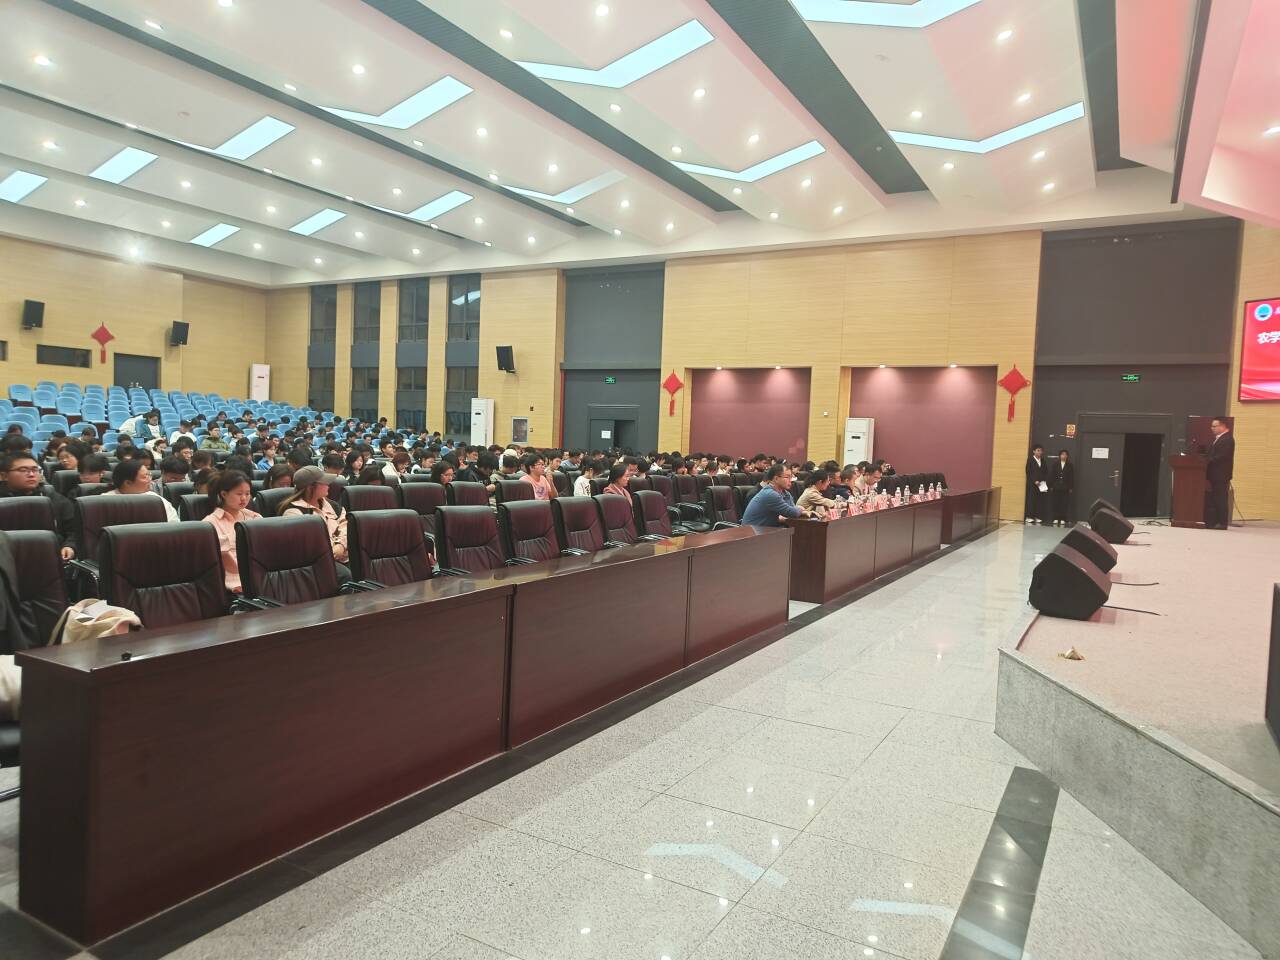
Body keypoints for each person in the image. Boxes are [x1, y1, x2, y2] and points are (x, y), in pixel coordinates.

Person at [278, 465, 350, 582]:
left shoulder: (333, 506)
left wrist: (341, 545)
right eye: (324, 482)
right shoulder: (294, 512)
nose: (328, 485)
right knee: (345, 575)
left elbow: (345, 527)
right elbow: (306, 545)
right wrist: (331, 552)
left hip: (342, 555)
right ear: (310, 487)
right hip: (316, 562)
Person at [0, 452, 77, 559]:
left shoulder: (52, 497)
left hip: (51, 557)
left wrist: (70, 546)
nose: (31, 474)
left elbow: (74, 529)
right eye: (23, 470)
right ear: (3, 476)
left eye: (35, 470)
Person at [203, 470, 261, 594]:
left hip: (261, 575)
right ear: (224, 494)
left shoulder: (255, 518)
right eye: (239, 494)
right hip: (233, 581)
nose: (244, 498)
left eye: (247, 493)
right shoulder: (209, 523)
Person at [105, 459, 179, 523]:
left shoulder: (155, 499)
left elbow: (173, 525)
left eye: (149, 475)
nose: (150, 480)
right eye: (145, 477)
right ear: (128, 483)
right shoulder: (105, 502)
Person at [740, 464, 806, 529]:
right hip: (752, 532)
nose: (790, 480)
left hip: (767, 529)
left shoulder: (786, 493)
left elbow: (792, 510)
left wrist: (797, 510)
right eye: (787, 477)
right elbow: (793, 513)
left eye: (791, 477)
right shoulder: (770, 494)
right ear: (776, 479)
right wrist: (801, 509)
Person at [1204, 417, 1235, 530]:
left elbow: (1222, 456)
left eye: (1214, 426)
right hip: (1215, 474)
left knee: (1221, 498)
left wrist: (1207, 460)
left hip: (1221, 475)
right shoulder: (1219, 438)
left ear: (1223, 426)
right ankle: (1214, 521)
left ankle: (1222, 523)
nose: (1212, 428)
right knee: (1216, 498)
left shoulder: (1227, 439)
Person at [1024, 444, 1049, 524]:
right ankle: (1029, 517)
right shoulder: (1030, 460)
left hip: (1041, 484)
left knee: (1040, 500)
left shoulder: (1043, 460)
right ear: (1034, 451)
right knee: (1031, 500)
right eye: (1038, 450)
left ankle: (1038, 516)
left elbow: (1046, 472)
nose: (1040, 452)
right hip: (1032, 484)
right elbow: (1028, 472)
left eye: (1041, 451)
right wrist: (1035, 481)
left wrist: (1043, 481)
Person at [1049, 450, 1074, 527]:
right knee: (1056, 502)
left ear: (1067, 456)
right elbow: (1052, 475)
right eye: (1062, 454)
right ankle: (1055, 518)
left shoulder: (1070, 465)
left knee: (1064, 503)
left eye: (1065, 454)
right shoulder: (1055, 464)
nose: (1064, 456)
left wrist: (1070, 487)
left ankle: (1063, 518)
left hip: (1065, 487)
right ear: (1060, 455)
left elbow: (1071, 477)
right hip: (1056, 487)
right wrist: (1051, 485)